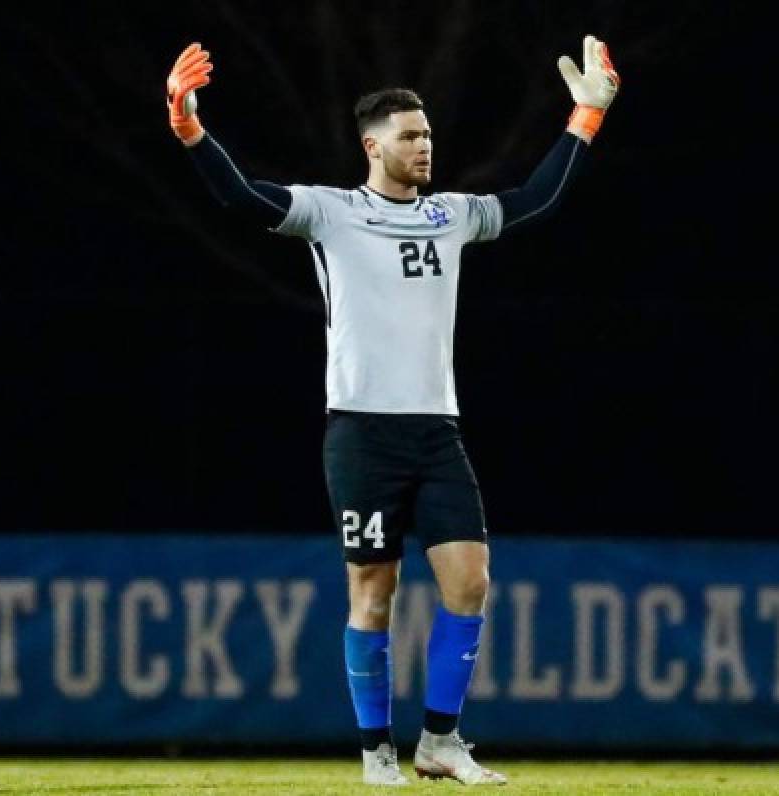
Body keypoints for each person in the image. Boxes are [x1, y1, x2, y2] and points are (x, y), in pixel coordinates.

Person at [166, 36, 619, 786]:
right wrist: (190, 130)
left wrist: (587, 116)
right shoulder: (331, 213)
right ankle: (377, 750)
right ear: (373, 146)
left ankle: (441, 740)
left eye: (429, 135)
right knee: (373, 592)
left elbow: (536, 199)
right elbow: (241, 195)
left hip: (437, 430)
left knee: (470, 581)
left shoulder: (452, 216)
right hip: (362, 431)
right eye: (410, 136)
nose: (424, 146)